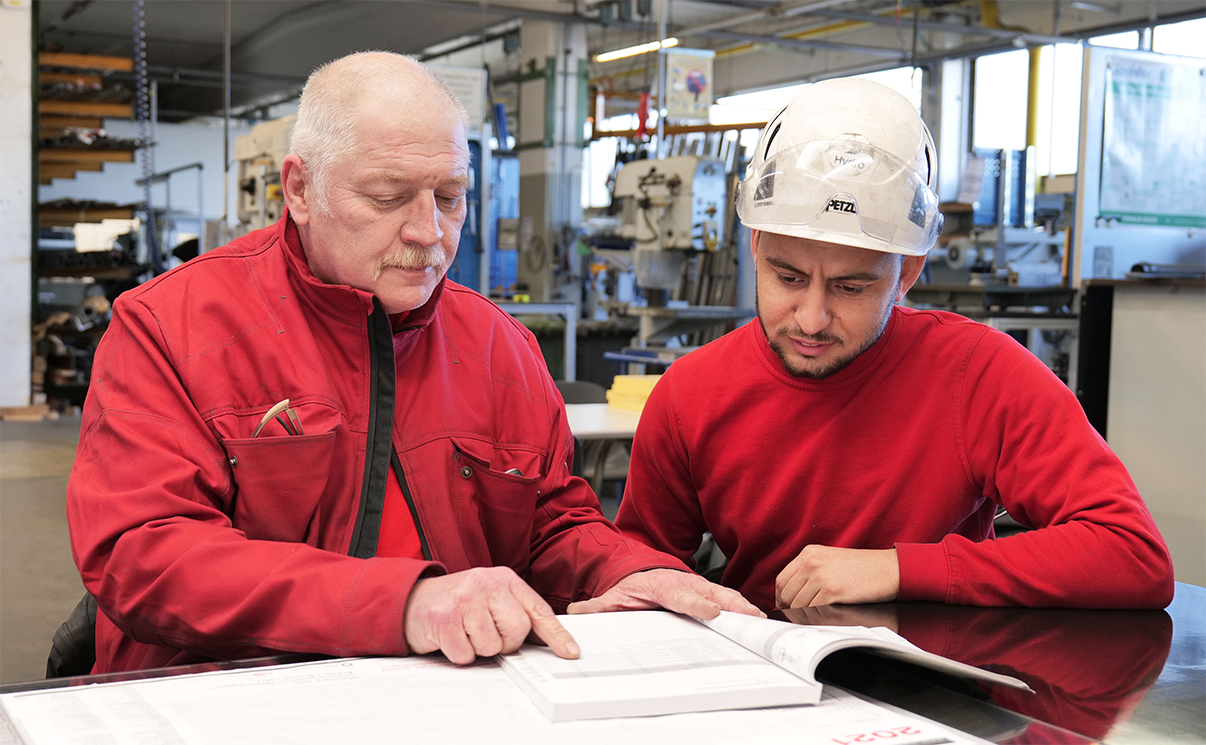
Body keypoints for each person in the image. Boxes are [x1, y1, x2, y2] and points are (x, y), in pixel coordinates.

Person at [65, 51, 758, 675]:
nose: (430, 233)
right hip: (226, 701)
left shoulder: (501, 348)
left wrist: (630, 570)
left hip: (443, 701)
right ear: (300, 191)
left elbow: (551, 523)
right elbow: (146, 555)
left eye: (451, 197)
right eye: (389, 197)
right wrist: (406, 603)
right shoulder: (169, 326)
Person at [615, 77, 1174, 613]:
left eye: (852, 287)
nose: (811, 319)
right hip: (758, 678)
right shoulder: (690, 394)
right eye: (788, 278)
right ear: (757, 244)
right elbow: (641, 570)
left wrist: (900, 571)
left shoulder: (980, 376)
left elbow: (1132, 554)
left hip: (939, 693)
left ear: (908, 271)